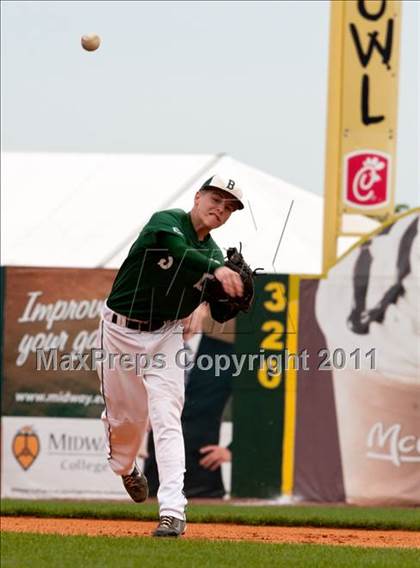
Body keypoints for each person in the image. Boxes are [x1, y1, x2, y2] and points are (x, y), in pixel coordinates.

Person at [96, 175, 245, 537]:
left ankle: (173, 511)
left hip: (165, 336)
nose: (220, 209)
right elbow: (178, 253)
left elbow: (211, 298)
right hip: (119, 332)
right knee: (126, 420)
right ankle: (125, 469)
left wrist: (216, 303)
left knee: (166, 416)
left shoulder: (213, 254)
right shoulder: (166, 221)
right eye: (215, 199)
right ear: (197, 196)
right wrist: (217, 270)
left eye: (229, 207)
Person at [144, 303, 233, 499]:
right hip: (157, 473)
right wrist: (132, 441)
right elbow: (128, 394)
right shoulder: (150, 350)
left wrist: (234, 450)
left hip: (204, 477)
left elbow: (254, 406)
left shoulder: (227, 355)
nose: (185, 313)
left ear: (206, 309)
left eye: (192, 305)